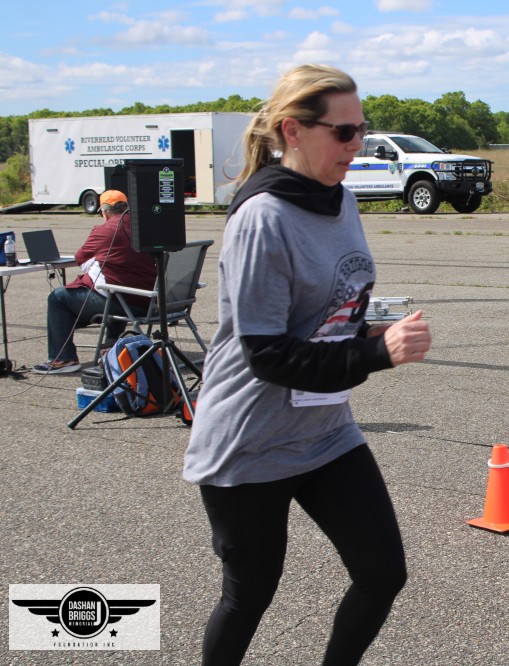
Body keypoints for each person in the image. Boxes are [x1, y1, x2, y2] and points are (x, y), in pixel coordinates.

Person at [183, 64, 432, 666]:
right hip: (249, 441)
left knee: (382, 573)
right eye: (343, 132)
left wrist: (365, 330)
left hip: (324, 431)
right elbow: (268, 354)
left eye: (362, 130)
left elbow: (325, 314)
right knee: (250, 595)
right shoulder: (263, 218)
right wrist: (377, 352)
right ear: (293, 131)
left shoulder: (340, 199)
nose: (357, 145)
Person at [33, 189, 156, 374]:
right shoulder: (147, 227)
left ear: (104, 212)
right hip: (152, 301)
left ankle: (63, 358)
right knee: (115, 286)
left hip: (125, 302)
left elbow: (80, 257)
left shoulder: (104, 230)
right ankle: (112, 348)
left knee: (58, 298)